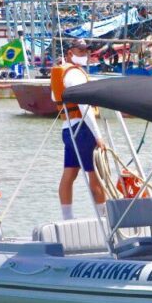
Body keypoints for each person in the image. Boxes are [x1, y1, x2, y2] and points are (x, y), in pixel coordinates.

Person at [49, 39, 106, 220]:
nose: (84, 55)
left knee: (69, 174)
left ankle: (68, 218)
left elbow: (53, 97)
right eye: (80, 52)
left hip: (68, 130)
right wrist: (98, 136)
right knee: (96, 175)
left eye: (86, 52)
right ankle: (105, 219)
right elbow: (85, 108)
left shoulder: (59, 73)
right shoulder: (75, 74)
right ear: (69, 53)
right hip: (83, 129)